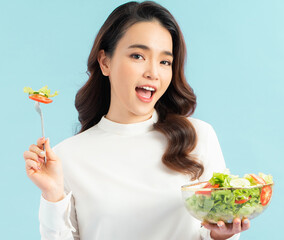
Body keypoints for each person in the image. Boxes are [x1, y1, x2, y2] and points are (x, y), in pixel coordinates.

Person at [22, 1, 250, 239]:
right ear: (105, 62)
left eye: (165, 61)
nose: (153, 72)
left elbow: (220, 227)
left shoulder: (199, 137)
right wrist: (53, 195)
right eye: (138, 56)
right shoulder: (66, 158)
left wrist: (222, 235)